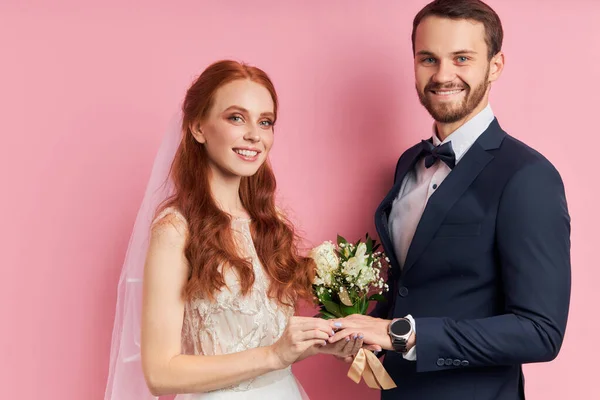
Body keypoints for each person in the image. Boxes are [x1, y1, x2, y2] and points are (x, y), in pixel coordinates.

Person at [329, 1, 571, 399]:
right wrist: (359, 329)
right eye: (428, 59)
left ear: (495, 65)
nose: (443, 75)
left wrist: (400, 333)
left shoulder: (528, 176)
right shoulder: (408, 163)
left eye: (462, 58)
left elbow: (540, 331)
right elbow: (414, 287)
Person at [104, 60, 364, 400]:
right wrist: (274, 355)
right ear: (198, 128)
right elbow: (160, 373)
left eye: (265, 122)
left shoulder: (271, 222)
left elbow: (268, 348)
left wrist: (316, 345)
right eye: (236, 117)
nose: (255, 135)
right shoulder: (175, 229)